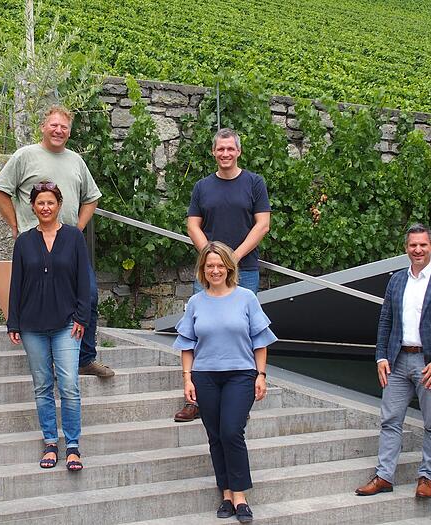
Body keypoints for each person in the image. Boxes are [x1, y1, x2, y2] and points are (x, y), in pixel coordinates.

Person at [0, 105, 113, 378]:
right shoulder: (25, 156)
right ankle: (51, 362)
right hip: (35, 244)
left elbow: (92, 197)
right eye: (54, 125)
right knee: (42, 300)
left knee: (89, 296)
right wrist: (15, 225)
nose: (59, 131)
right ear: (43, 127)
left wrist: (79, 227)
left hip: (69, 245)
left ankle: (85, 358)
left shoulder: (76, 161)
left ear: (69, 132)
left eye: (64, 127)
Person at [355, 224, 431, 499]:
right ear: (406, 248)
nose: (418, 250)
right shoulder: (396, 281)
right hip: (398, 360)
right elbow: (386, 321)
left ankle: (427, 477)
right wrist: (381, 356)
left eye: (423, 245)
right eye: (413, 245)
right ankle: (384, 476)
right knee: (390, 420)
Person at [173, 242, 276, 522]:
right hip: (205, 376)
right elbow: (187, 344)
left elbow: (261, 340)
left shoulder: (245, 298)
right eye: (210, 266)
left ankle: (240, 495)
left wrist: (261, 375)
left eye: (220, 265)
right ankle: (226, 494)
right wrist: (187, 379)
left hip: (240, 374)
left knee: (231, 431)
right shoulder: (196, 302)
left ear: (229, 268)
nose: (215, 270)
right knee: (216, 436)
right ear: (202, 270)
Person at [175, 128, 271, 423]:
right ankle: (194, 400)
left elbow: (263, 224)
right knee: (199, 332)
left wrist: (234, 258)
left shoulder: (254, 183)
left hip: (246, 270)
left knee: (245, 332)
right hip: (210, 272)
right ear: (214, 152)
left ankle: (239, 399)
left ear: (238, 151)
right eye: (220, 149)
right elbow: (193, 225)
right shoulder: (203, 186)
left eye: (230, 149)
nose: (225, 154)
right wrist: (212, 258)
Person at [6, 181, 90, 471]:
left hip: (67, 323)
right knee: (42, 386)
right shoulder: (24, 242)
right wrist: (12, 321)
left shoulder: (74, 237)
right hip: (31, 325)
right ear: (32, 206)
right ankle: (51, 443)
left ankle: (74, 446)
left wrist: (82, 317)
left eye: (50, 202)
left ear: (59, 205)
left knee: (68, 385)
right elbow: (16, 284)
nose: (45, 207)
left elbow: (83, 281)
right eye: (40, 203)